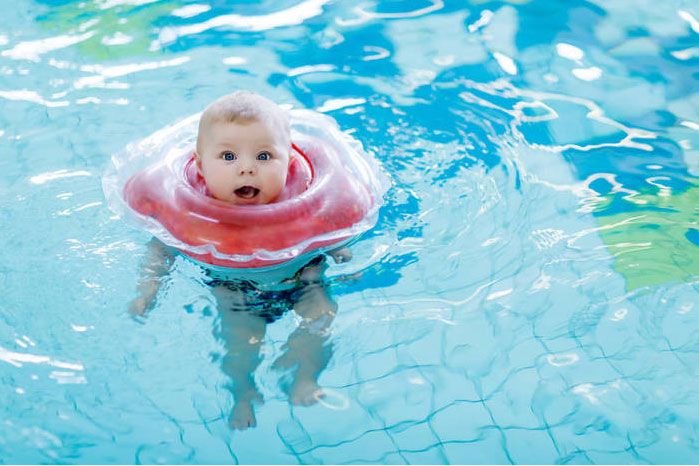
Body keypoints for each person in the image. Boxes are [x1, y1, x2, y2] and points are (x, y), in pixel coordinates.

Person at [128, 91, 350, 430]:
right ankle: (243, 391)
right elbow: (160, 248)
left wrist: (339, 248)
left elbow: (330, 222)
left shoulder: (307, 202)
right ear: (200, 167)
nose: (246, 167)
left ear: (289, 162)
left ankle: (305, 378)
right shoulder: (188, 214)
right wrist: (149, 288)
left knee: (321, 317)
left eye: (264, 156)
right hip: (234, 290)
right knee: (240, 342)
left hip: (304, 278)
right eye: (228, 156)